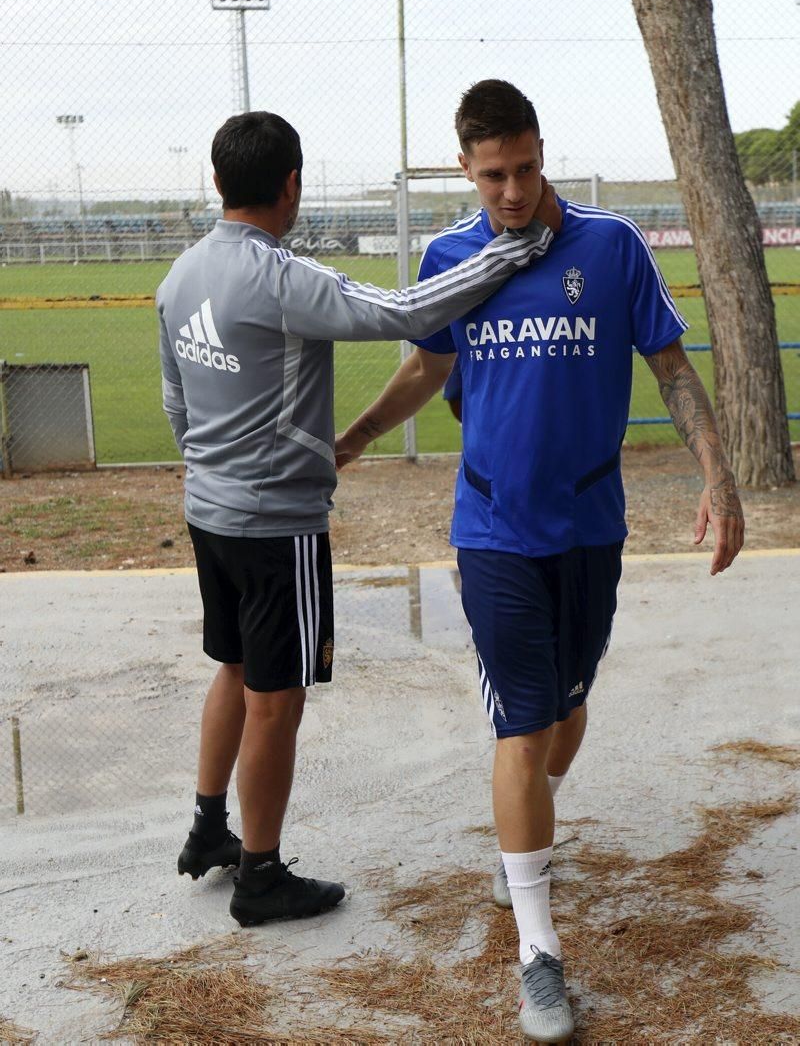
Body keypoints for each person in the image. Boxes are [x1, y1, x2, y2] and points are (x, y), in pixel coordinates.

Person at [335, 79, 745, 1041]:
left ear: (539, 151)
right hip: (494, 533)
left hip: (592, 527)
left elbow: (673, 369)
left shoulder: (609, 248)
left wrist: (719, 477)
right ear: (466, 168)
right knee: (520, 725)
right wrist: (349, 441)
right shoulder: (453, 256)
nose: (511, 192)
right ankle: (538, 950)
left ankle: (527, 825)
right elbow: (427, 367)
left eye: (523, 170)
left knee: (566, 710)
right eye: (491, 178)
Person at [156, 109, 562, 929]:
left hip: (211, 511)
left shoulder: (180, 276)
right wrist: (509, 253)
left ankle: (208, 830)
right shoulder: (280, 278)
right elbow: (409, 312)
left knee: (232, 668)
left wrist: (218, 474)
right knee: (278, 697)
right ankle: (261, 876)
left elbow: (175, 403)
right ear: (293, 184)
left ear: (216, 182)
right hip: (277, 524)